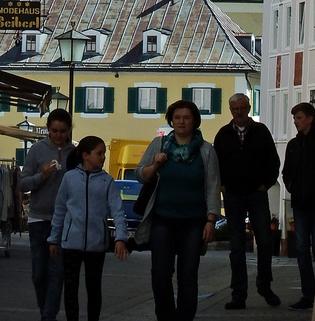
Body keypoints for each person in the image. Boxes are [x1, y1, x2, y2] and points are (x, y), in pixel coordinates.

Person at [135, 100, 221, 321]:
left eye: (186, 117)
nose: (181, 121)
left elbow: (212, 186)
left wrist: (211, 221)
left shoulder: (206, 150)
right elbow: (140, 174)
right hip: (163, 220)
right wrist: (154, 165)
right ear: (171, 120)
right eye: (177, 117)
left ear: (194, 121)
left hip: (194, 222)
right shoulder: (159, 144)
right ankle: (165, 317)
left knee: (188, 275)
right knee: (161, 274)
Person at [47, 136, 130, 321]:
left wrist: (121, 238)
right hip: (71, 243)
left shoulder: (107, 181)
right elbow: (59, 210)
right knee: (70, 288)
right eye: (99, 153)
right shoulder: (69, 178)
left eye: (104, 154)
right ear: (85, 155)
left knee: (94, 288)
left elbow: (117, 210)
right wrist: (54, 239)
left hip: (96, 244)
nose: (103, 157)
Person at [213, 92, 281, 309]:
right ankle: (238, 294)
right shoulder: (223, 134)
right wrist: (222, 184)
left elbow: (273, 160)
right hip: (233, 194)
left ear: (249, 108)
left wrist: (266, 183)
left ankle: (264, 285)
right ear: (231, 110)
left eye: (243, 108)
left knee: (264, 240)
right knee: (237, 246)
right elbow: (216, 163)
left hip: (256, 193)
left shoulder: (261, 132)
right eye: (236, 109)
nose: (239, 112)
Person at [20, 108, 76, 321]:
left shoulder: (75, 153)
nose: (58, 135)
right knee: (38, 274)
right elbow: (22, 183)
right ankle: (45, 309)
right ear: (48, 130)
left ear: (69, 130)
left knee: (57, 272)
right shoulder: (37, 150)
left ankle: (48, 316)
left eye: (63, 131)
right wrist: (40, 176)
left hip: (64, 222)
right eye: (54, 131)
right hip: (38, 219)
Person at [281, 103, 315, 311]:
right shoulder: (293, 145)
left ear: (310, 118)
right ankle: (309, 294)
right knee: (302, 249)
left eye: (299, 118)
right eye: (294, 118)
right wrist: (292, 186)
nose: (296, 122)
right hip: (301, 203)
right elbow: (286, 172)